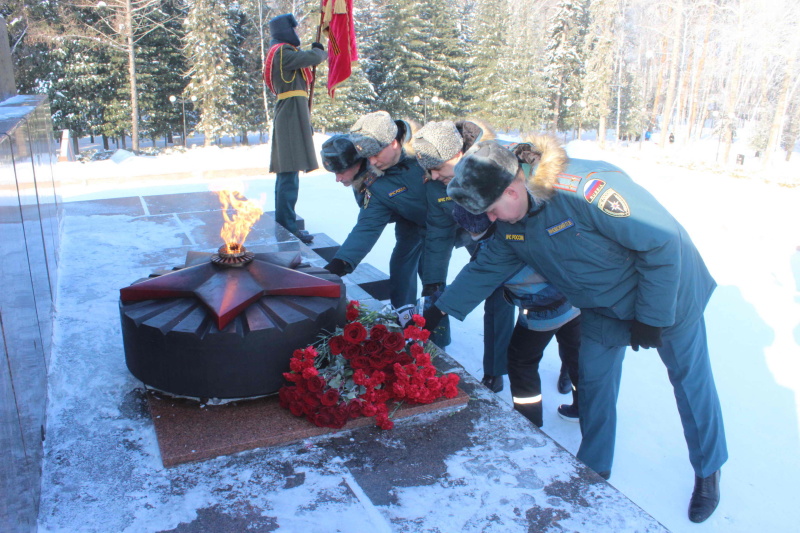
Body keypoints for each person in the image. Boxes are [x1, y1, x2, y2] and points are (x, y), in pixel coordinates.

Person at [424, 137, 726, 523]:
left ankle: (708, 470)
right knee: (596, 384)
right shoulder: (514, 218)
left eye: (494, 210)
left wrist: (652, 317)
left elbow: (662, 244)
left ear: (513, 189)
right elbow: (487, 267)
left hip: (670, 295)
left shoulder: (585, 190)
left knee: (689, 382)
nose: (492, 220)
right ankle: (593, 470)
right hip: (602, 305)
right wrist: (440, 311)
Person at [412, 120, 572, 392]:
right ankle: (497, 370)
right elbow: (441, 234)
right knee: (498, 292)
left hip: (545, 252)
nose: (434, 176)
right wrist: (435, 287)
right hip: (491, 244)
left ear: (457, 156)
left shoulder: (503, 163)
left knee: (563, 314)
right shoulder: (444, 183)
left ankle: (570, 365)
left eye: (437, 168)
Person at [451, 205, 581, 427]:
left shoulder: (494, 249)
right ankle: (584, 406)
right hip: (575, 299)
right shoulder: (522, 222)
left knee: (521, 362)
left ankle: (529, 424)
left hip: (544, 311)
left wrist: (437, 310)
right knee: (577, 357)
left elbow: (474, 280)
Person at [323, 112, 427, 324]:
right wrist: (338, 266)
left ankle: (436, 333)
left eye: (341, 171)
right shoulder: (374, 180)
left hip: (460, 221)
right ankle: (404, 316)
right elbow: (368, 226)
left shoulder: (420, 156)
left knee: (433, 276)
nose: (338, 178)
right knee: (401, 263)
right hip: (413, 221)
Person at [265, 14, 326, 244]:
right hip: (290, 115)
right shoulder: (282, 52)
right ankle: (288, 226)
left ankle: (285, 222)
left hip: (294, 113)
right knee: (288, 175)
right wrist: (319, 51)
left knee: (288, 174)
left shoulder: (283, 52)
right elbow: (310, 57)